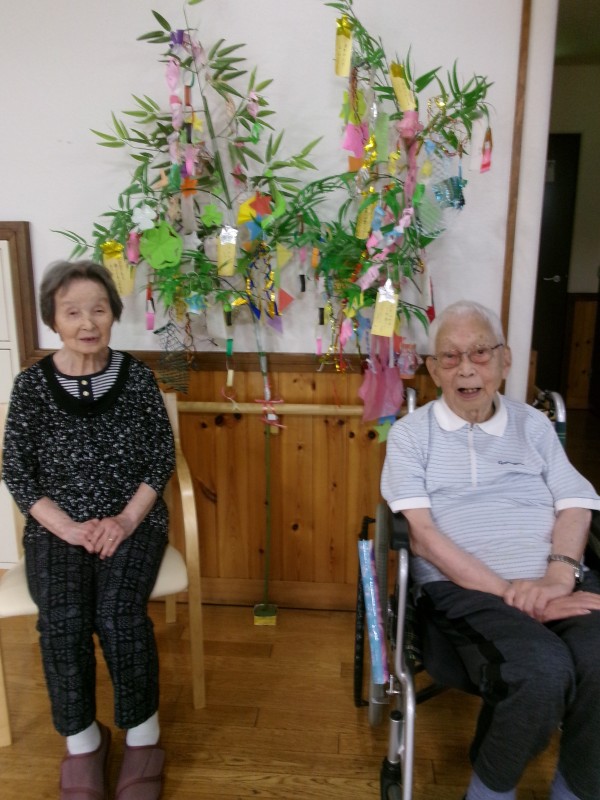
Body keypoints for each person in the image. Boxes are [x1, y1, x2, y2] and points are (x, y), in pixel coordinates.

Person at [381, 300, 600, 800]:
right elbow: (422, 536)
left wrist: (557, 579)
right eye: (450, 356)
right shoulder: (411, 435)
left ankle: (576, 790)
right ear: (433, 369)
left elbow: (575, 504)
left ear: (505, 359)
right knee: (540, 671)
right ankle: (487, 793)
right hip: (465, 591)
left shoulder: (534, 426)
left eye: (480, 353)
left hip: (556, 579)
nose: (466, 369)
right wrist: (514, 592)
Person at [1, 260, 175, 800]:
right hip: (58, 529)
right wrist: (69, 528)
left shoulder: (138, 378)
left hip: (134, 522)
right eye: (72, 311)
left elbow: (160, 459)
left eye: (98, 309)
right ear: (53, 319)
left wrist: (124, 520)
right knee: (63, 618)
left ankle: (143, 738)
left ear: (113, 315)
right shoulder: (31, 386)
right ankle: (83, 743)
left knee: (119, 613)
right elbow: (17, 472)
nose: (87, 322)